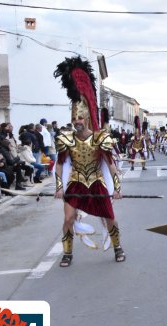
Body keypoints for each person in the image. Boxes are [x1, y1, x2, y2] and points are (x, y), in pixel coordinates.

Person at [53, 56, 125, 267]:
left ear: (86, 118)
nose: (77, 122)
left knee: (109, 217)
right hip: (75, 182)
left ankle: (118, 247)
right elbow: (59, 164)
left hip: (96, 181)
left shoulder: (100, 138)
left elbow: (111, 165)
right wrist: (59, 187)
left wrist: (117, 188)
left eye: (80, 119)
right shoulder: (65, 139)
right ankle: (67, 253)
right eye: (74, 119)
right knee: (67, 219)